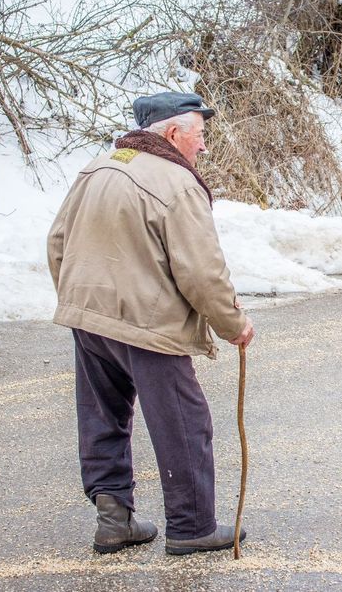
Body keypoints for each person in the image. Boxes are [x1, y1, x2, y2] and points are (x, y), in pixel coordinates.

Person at [47, 91, 255, 556]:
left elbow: (57, 241)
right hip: (146, 322)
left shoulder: (97, 168)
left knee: (103, 416)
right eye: (199, 135)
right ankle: (193, 527)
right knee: (184, 422)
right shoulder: (177, 183)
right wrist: (232, 323)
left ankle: (114, 520)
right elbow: (202, 271)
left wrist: (77, 298)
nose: (203, 147)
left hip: (89, 315)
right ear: (175, 132)